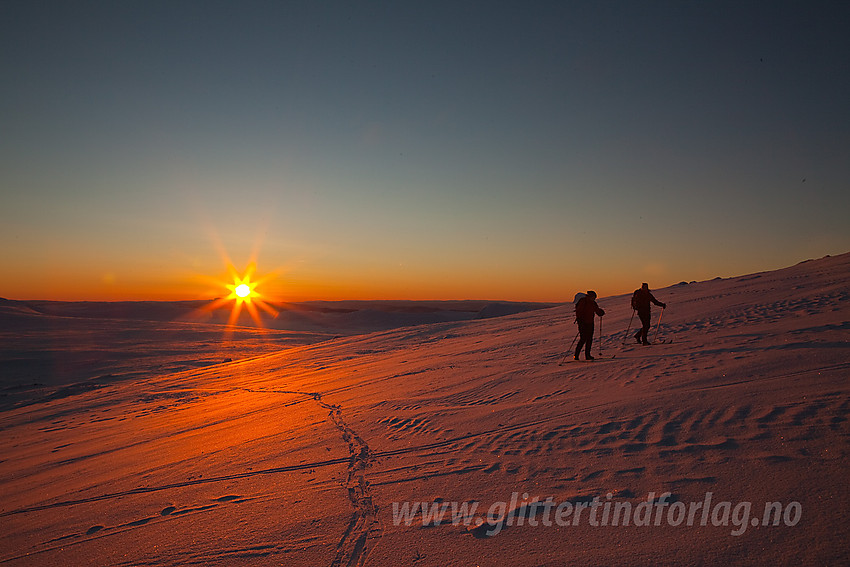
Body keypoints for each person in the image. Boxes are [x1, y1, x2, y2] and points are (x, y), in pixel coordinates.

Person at [574, 290, 605, 360]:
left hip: (590, 323)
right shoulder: (584, 301)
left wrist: (601, 312)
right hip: (583, 323)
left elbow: (596, 310)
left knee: (588, 339)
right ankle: (577, 355)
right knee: (583, 339)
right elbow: (579, 312)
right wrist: (580, 321)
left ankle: (587, 355)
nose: (594, 298)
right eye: (594, 297)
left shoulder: (592, 303)